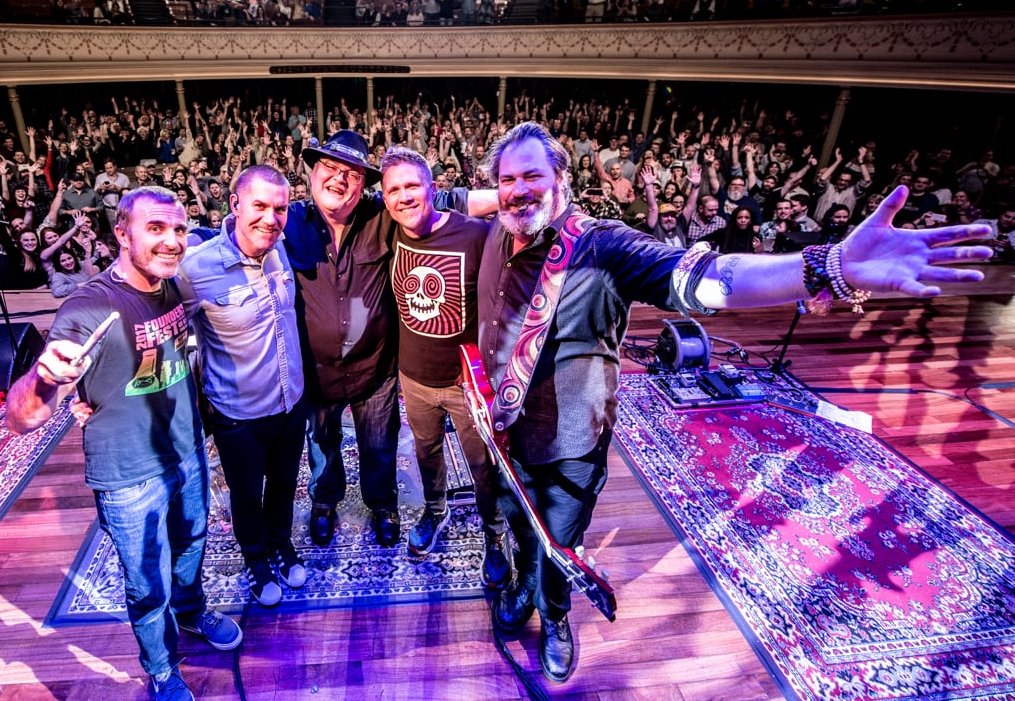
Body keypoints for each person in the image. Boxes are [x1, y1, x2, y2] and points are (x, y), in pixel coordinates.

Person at [479, 122, 993, 683]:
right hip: (505, 431)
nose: (518, 190)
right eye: (507, 179)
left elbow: (705, 278)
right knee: (518, 521)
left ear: (561, 179)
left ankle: (554, 615)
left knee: (561, 541)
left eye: (532, 176)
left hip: (571, 438)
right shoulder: (495, 234)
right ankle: (521, 585)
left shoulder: (604, 245)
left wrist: (825, 266)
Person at [6, 187, 242, 701]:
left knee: (191, 544)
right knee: (146, 582)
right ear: (121, 234)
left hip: (186, 450)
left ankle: (192, 611)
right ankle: (161, 668)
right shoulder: (90, 306)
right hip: (128, 473)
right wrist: (46, 378)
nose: (171, 241)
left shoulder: (174, 285)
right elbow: (21, 419)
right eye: (155, 228)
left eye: (178, 230)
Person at [283, 130, 493, 549]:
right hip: (317, 370)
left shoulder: (382, 214)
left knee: (378, 446)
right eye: (329, 167)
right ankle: (325, 501)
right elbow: (236, 232)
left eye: (351, 173)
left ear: (363, 184)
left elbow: (444, 200)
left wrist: (516, 195)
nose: (339, 178)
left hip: (374, 368)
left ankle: (383, 505)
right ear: (312, 172)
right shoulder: (288, 221)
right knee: (322, 444)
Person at [378, 147, 509, 586]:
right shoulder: (389, 231)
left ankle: (495, 532)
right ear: (384, 198)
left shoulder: (474, 235)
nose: (404, 197)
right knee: (425, 451)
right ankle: (436, 510)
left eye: (412, 186)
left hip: (465, 381)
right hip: (414, 377)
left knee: (482, 463)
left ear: (433, 188)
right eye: (393, 190)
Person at [177, 166, 308, 608]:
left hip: (290, 401)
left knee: (285, 484)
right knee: (247, 493)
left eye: (280, 209)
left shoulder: (279, 248)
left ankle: (281, 544)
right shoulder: (195, 271)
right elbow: (164, 331)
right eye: (259, 206)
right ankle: (256, 558)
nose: (271, 219)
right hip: (238, 414)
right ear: (235, 205)